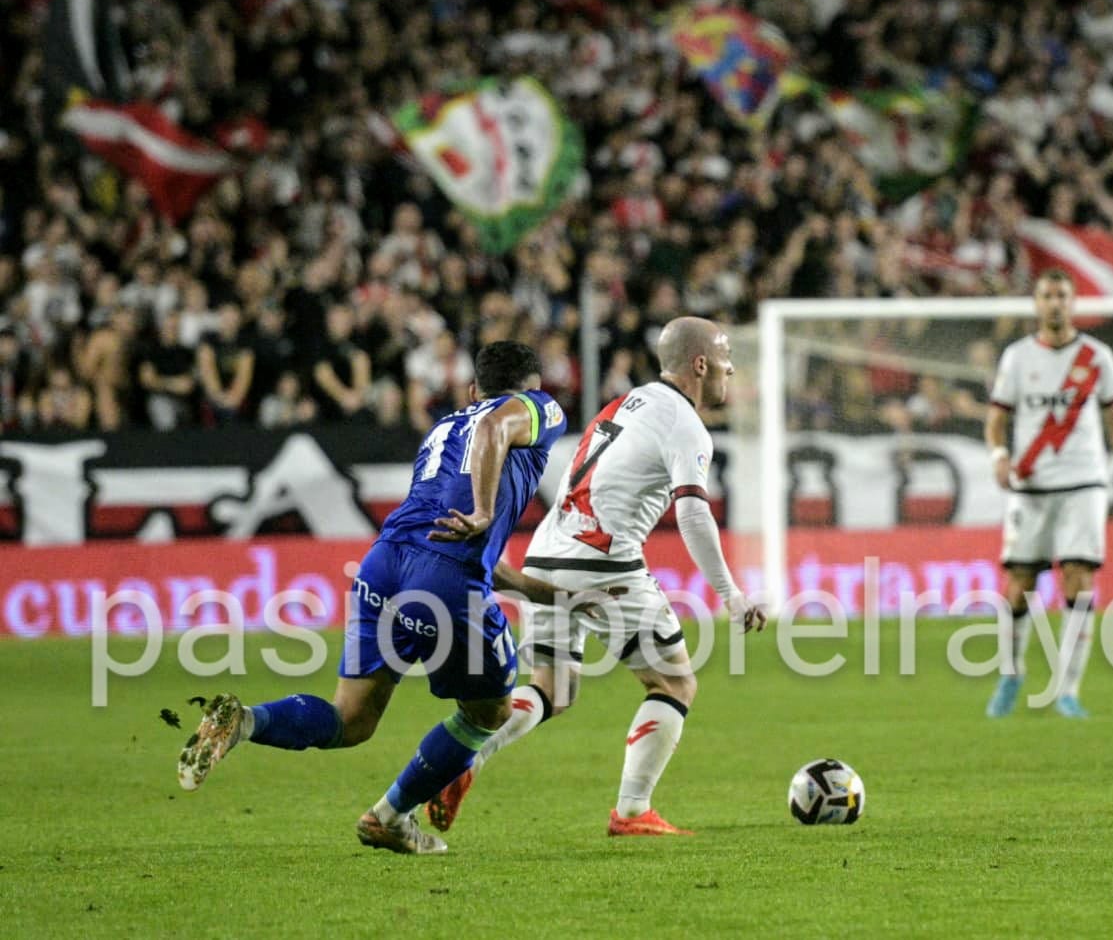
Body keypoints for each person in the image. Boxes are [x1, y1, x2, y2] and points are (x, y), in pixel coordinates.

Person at [177, 341, 574, 855]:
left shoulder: (441, 430)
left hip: (383, 566)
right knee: (488, 714)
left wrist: (538, 589)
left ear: (472, 389)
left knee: (351, 719)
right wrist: (481, 511)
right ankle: (389, 816)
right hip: (445, 579)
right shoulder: (537, 410)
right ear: (534, 388)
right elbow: (497, 430)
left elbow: (453, 529)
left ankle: (245, 722)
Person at [425, 316, 767, 838]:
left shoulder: (628, 402)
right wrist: (733, 595)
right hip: (603, 559)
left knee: (553, 688)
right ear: (700, 364)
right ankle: (632, 811)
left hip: (547, 550)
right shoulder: (685, 424)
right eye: (725, 361)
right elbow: (693, 512)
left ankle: (463, 760)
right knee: (674, 682)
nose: (731, 370)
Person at [983, 270, 1113, 719]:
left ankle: (1067, 691)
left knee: (1078, 578)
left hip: (1084, 483)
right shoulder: (1017, 358)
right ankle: (1011, 673)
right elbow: (996, 419)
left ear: (1073, 303)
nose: (1055, 303)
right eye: (1047, 295)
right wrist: (998, 455)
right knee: (1019, 585)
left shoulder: (1097, 357)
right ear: (1036, 303)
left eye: (1062, 296)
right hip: (1030, 485)